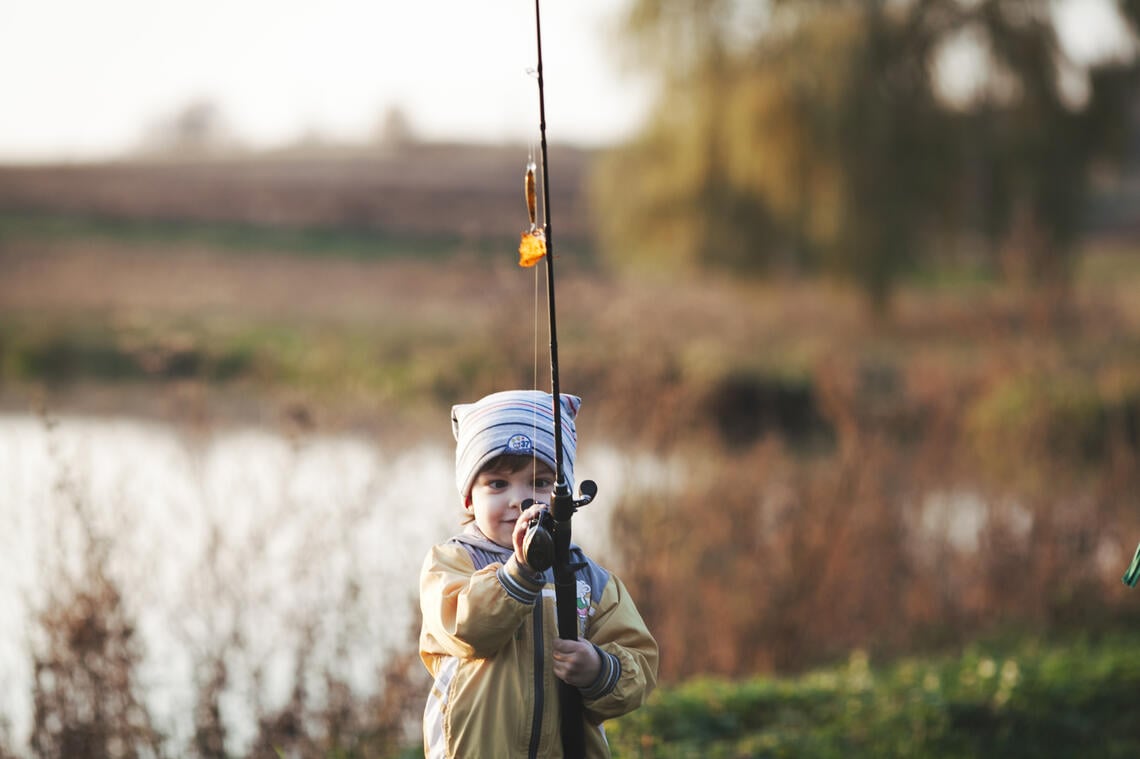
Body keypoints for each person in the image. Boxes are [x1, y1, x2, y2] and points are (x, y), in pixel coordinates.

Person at [419, 389, 659, 758]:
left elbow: (639, 667)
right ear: (469, 497)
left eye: (540, 483)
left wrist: (599, 670)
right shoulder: (452, 562)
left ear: (564, 495)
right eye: (498, 483)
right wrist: (519, 572)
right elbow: (465, 631)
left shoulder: (591, 580)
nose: (520, 499)